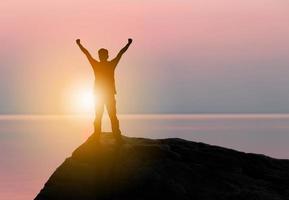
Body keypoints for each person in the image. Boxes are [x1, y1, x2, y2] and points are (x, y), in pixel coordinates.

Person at [76, 38, 132, 143]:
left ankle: (108, 137)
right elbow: (120, 53)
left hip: (104, 95)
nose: (101, 56)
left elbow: (87, 54)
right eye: (100, 55)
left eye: (102, 55)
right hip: (102, 95)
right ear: (105, 56)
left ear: (105, 56)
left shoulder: (101, 64)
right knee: (106, 116)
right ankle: (104, 137)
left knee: (106, 116)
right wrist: (79, 44)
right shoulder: (107, 64)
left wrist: (79, 44)